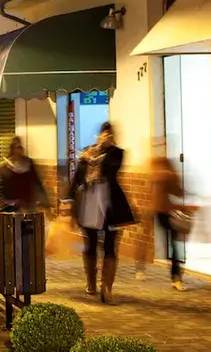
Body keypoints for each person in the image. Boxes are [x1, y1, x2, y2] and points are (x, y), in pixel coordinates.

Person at [68, 122, 135, 304]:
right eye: (104, 134)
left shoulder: (116, 153)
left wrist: (102, 151)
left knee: (110, 246)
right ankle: (90, 281)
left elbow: (112, 169)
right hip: (89, 201)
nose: (107, 137)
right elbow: (78, 177)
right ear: (100, 135)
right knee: (89, 244)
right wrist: (69, 201)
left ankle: (107, 288)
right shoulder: (88, 151)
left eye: (110, 134)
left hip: (110, 203)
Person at [150, 152, 185, 291]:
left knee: (173, 243)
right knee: (174, 243)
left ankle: (175, 275)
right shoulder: (166, 175)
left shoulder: (156, 175)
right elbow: (178, 192)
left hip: (163, 212)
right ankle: (176, 276)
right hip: (165, 212)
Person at [0, 136, 49, 213]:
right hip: (11, 203)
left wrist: (43, 198)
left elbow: (36, 181)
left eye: (19, 147)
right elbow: (1, 185)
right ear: (12, 149)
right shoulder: (6, 165)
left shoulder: (28, 162)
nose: (18, 150)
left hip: (27, 202)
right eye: (16, 147)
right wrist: (1, 203)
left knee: (28, 223)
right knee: (15, 223)